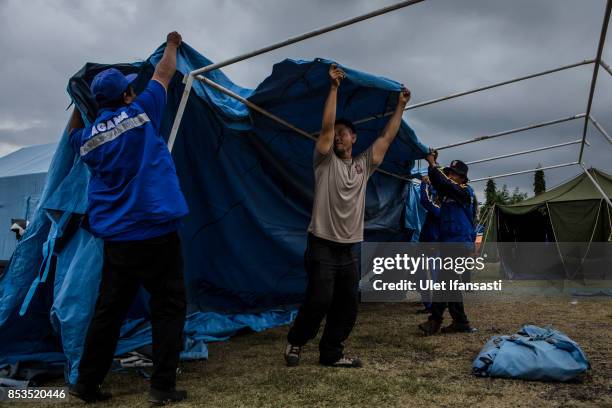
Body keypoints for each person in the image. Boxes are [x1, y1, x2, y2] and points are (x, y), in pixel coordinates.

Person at [67, 32, 189, 405]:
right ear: (126, 96)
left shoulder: (86, 140)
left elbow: (72, 132)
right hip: (157, 233)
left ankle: (86, 384)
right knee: (168, 307)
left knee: (109, 312)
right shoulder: (141, 111)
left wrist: (79, 100)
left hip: (118, 240)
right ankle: (161, 388)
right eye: (129, 90)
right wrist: (172, 44)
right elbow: (165, 73)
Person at [285, 64, 411, 368]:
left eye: (344, 134)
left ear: (354, 138)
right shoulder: (324, 161)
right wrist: (333, 88)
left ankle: (331, 353)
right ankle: (296, 342)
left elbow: (386, 138)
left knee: (347, 304)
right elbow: (326, 128)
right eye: (336, 134)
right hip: (322, 244)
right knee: (319, 299)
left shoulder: (363, 166)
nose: (338, 137)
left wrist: (401, 107)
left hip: (349, 248)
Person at [418, 152, 477, 335]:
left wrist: (432, 163)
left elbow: (443, 182)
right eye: (449, 172)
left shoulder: (465, 192)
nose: (450, 175)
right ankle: (460, 322)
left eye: (453, 173)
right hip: (449, 242)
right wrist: (431, 170)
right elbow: (438, 184)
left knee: (445, 281)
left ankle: (435, 320)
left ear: (462, 177)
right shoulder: (448, 193)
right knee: (450, 282)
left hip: (459, 243)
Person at [415, 175, 441, 314]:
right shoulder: (441, 208)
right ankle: (430, 305)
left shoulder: (439, 209)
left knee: (428, 276)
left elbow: (425, 200)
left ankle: (432, 305)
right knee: (427, 275)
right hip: (429, 245)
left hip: (430, 246)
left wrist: (424, 184)